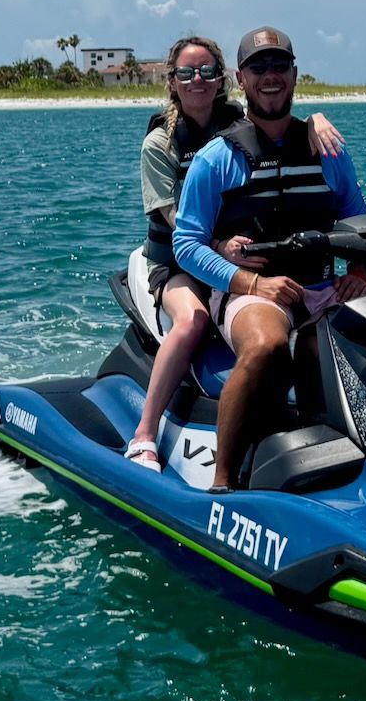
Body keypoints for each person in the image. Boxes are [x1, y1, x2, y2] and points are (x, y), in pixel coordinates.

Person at [123, 35, 344, 471]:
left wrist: (315, 121)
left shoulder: (237, 120)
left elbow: (277, 120)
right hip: (175, 259)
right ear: (172, 82)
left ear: (224, 79)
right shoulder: (162, 143)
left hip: (235, 254)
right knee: (193, 321)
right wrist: (223, 251)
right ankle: (146, 433)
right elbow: (178, 224)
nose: (197, 80)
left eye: (207, 71)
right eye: (186, 73)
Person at [173, 27, 366, 490]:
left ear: (295, 75)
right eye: (258, 68)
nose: (270, 76)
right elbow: (187, 245)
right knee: (266, 344)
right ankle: (223, 480)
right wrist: (251, 284)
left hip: (321, 289)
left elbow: (360, 222)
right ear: (241, 79)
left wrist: (360, 272)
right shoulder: (215, 158)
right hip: (251, 292)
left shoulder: (329, 152)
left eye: (279, 66)